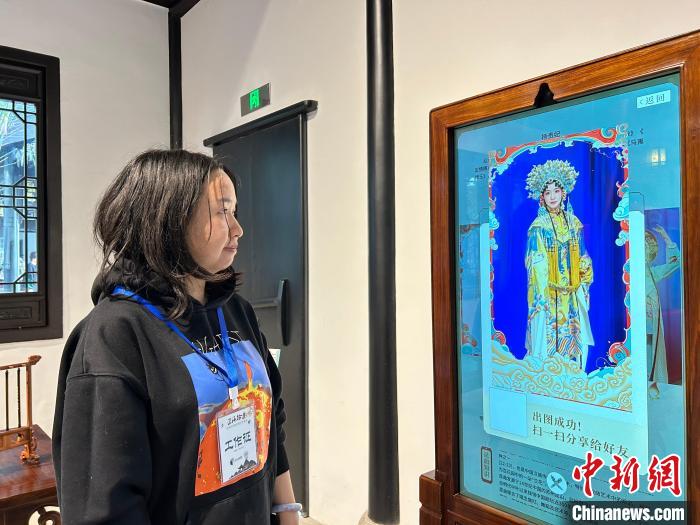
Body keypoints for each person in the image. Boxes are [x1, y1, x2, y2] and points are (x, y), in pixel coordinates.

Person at [52, 150, 299, 524]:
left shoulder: (236, 310)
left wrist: (288, 511)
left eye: (235, 212)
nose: (238, 229)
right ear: (168, 219)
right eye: (222, 212)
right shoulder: (114, 335)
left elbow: (272, 423)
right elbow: (104, 505)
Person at [524, 159, 594, 370]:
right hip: (548, 293)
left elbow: (583, 254)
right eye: (548, 193)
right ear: (542, 197)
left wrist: (583, 281)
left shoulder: (574, 222)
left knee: (574, 336)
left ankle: (573, 374)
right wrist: (542, 292)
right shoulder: (538, 226)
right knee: (547, 336)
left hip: (572, 292)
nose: (552, 196)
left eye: (556, 191)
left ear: (564, 193)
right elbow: (535, 260)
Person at [645, 225, 680, 398]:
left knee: (652, 352)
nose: (644, 250)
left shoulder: (653, 272)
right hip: (633, 321)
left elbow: (675, 262)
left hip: (651, 320)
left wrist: (666, 238)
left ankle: (652, 385)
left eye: (647, 246)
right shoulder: (627, 274)